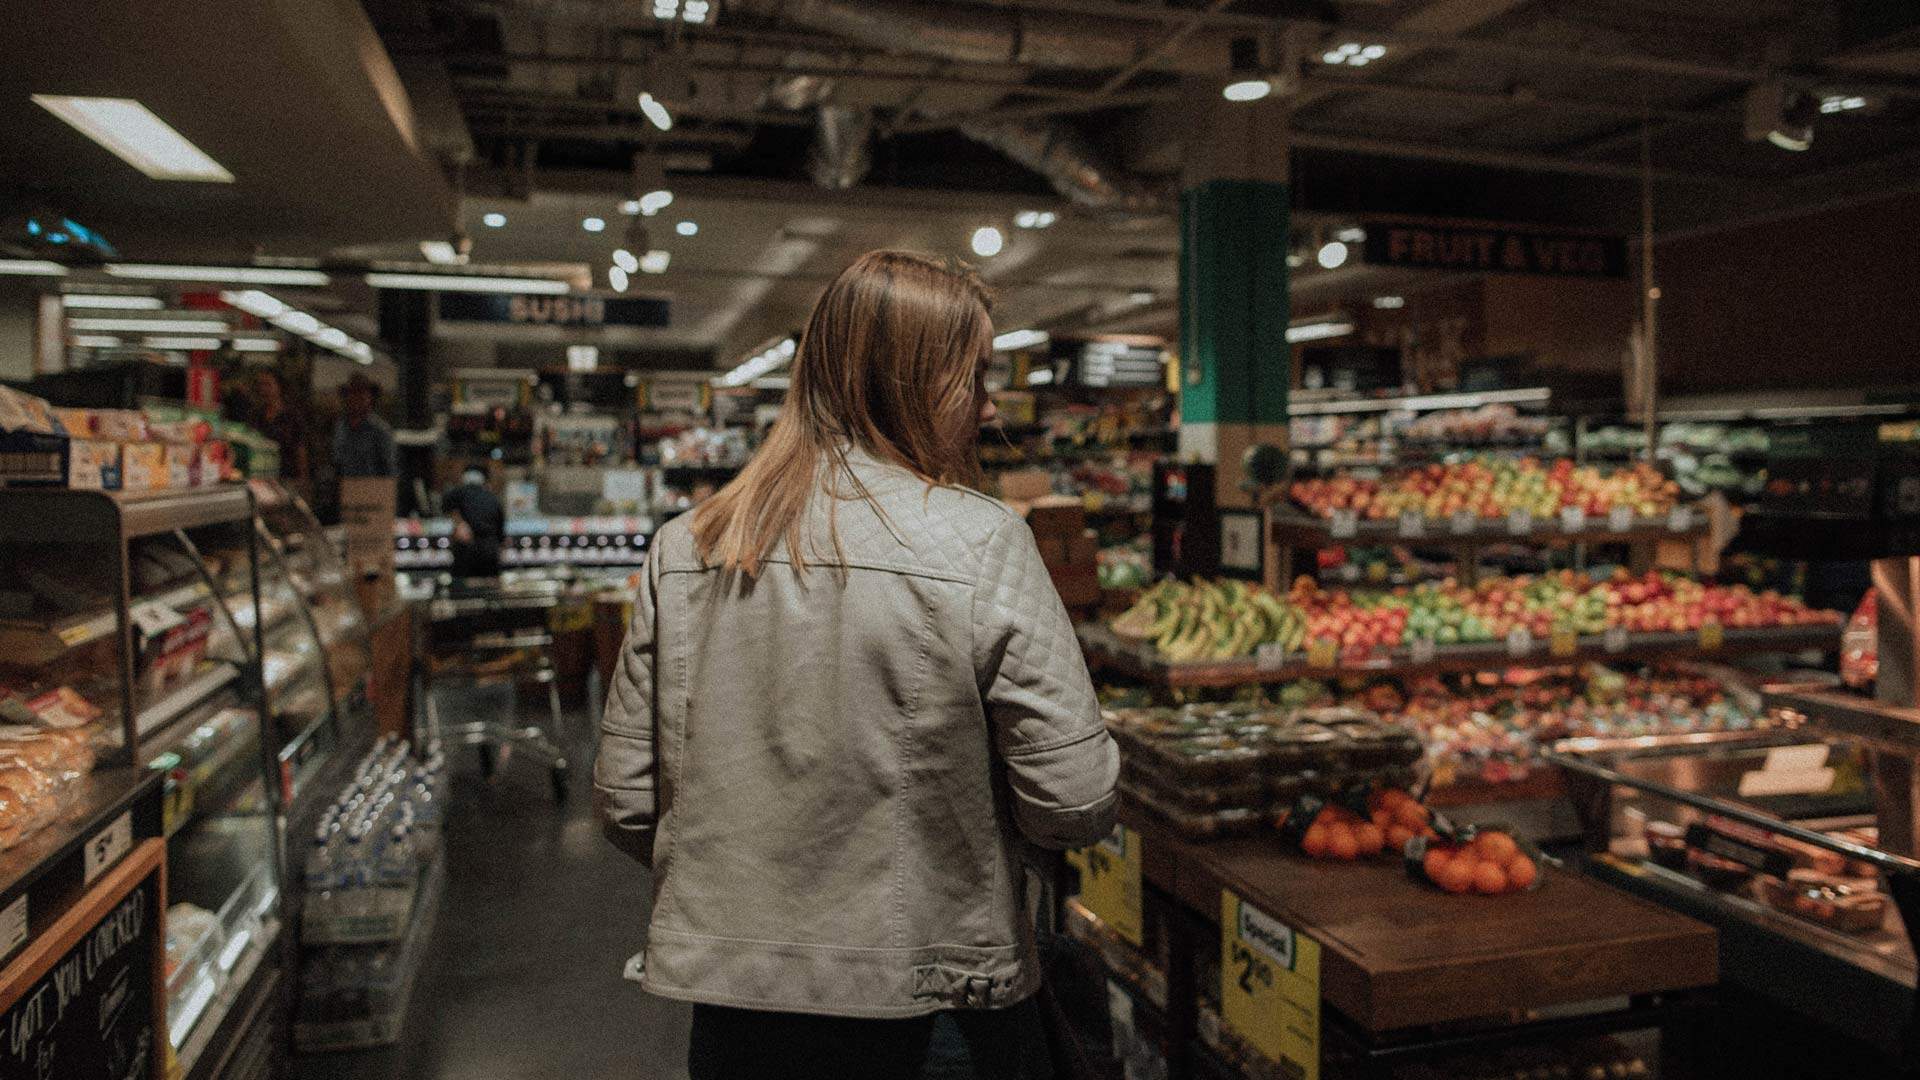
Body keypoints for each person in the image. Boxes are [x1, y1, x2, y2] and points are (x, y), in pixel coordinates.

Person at [596, 251, 1119, 1079]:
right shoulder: (982, 542)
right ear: (906, 381)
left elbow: (627, 802)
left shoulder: (685, 547)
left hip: (737, 1008)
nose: (990, 408)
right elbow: (1076, 797)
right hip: (934, 1004)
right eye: (974, 377)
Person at [441, 468, 504, 578]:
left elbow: (445, 505)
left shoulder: (459, 492)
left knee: (462, 586)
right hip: (489, 548)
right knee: (490, 587)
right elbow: (500, 525)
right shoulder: (492, 497)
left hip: (467, 548)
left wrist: (459, 523)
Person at [331, 372, 397, 478]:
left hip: (373, 490)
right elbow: (337, 463)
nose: (356, 398)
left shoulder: (380, 430)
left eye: (361, 393)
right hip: (346, 489)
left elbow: (390, 469)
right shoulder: (341, 427)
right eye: (352, 393)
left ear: (370, 397)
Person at [250, 371, 309, 486]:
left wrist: (303, 478)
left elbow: (300, 448)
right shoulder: (256, 415)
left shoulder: (292, 416)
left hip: (287, 477)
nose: (263, 390)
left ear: (279, 387)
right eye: (261, 385)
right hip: (262, 478)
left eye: (268, 384)